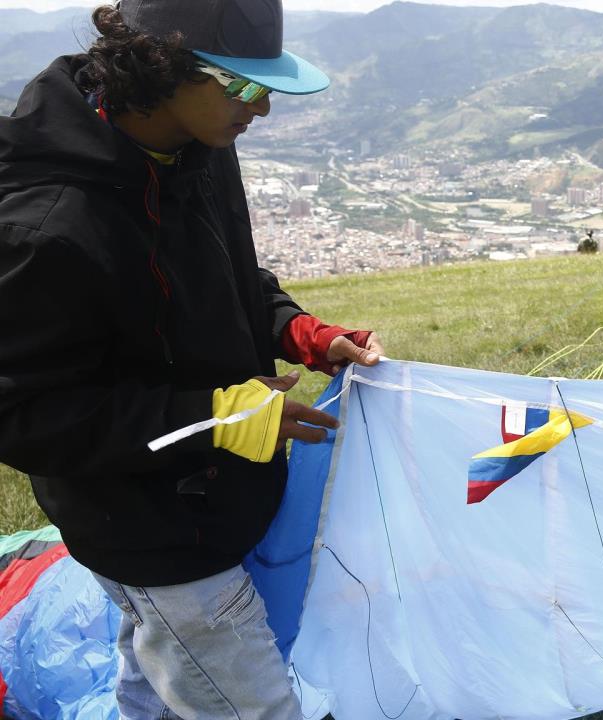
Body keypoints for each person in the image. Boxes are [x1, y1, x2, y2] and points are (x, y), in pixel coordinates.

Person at [0, 1, 384, 717]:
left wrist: (296, 330)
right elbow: (25, 415)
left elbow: (227, 278)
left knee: (155, 689)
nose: (263, 108)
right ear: (160, 70)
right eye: (243, 86)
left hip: (209, 506)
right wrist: (211, 419)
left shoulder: (194, 144)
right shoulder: (47, 227)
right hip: (151, 533)